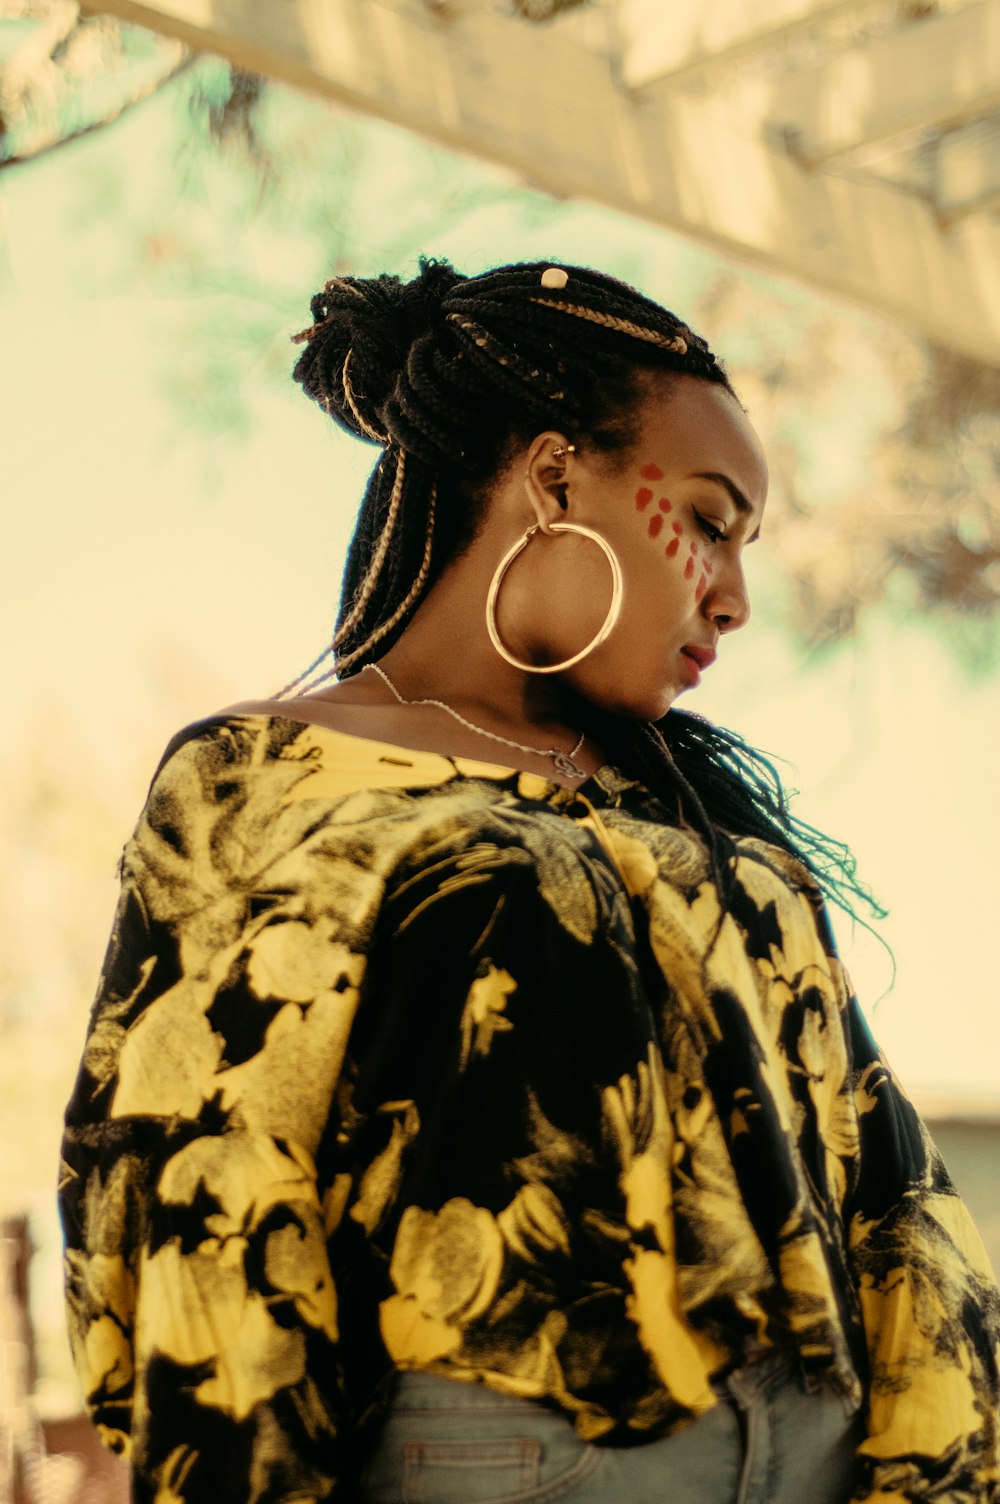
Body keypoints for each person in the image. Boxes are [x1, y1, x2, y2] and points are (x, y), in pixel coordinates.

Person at [59, 259, 1000, 1504]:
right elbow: (204, 1192)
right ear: (554, 477)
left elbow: (888, 1180)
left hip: (822, 1455)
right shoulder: (260, 777)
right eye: (710, 522)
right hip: (513, 1461)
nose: (735, 597)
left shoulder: (688, 809)